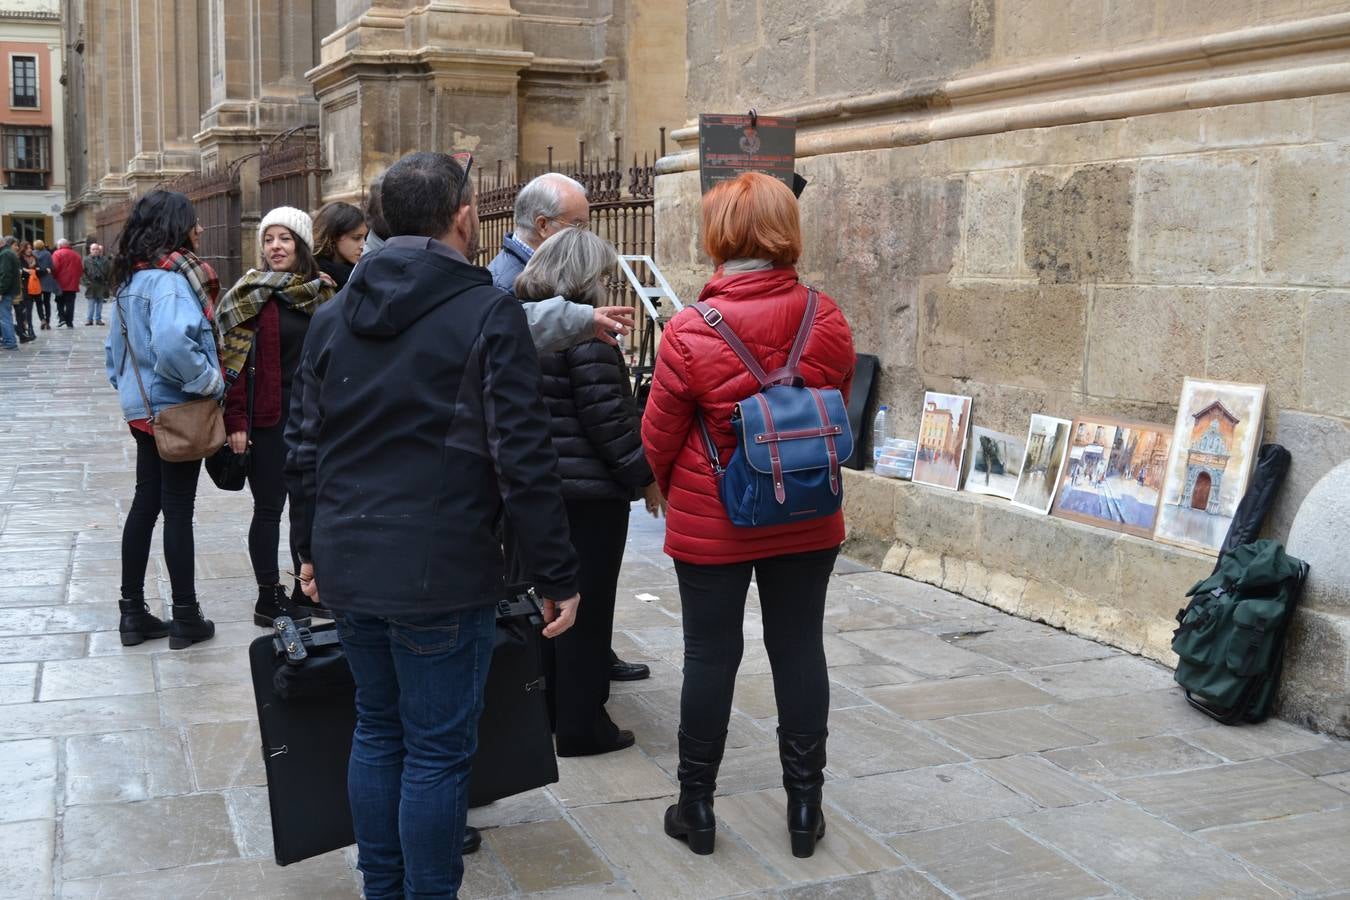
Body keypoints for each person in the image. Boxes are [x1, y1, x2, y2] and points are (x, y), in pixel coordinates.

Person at [286, 151, 581, 899]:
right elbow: (523, 456)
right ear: (462, 216)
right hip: (441, 568)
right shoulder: (487, 313)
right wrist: (557, 572)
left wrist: (309, 548)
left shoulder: (331, 316)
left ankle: (384, 889)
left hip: (354, 557)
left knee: (380, 730)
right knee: (436, 752)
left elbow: (306, 447)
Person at [641, 172, 855, 859]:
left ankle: (697, 807)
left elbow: (657, 436)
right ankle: (804, 809)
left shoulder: (687, 330)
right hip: (807, 511)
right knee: (798, 647)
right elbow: (833, 403)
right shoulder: (826, 315)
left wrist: (658, 485)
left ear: (719, 236)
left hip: (716, 517)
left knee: (711, 654)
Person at [488, 171, 646, 682]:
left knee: (545, 588)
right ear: (543, 225)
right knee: (566, 590)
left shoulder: (525, 281)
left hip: (541, 473)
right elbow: (604, 415)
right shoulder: (506, 288)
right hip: (561, 480)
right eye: (578, 223)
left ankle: (552, 683)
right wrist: (641, 475)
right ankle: (569, 695)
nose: (587, 232)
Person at [514, 228, 664, 757]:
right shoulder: (585, 334)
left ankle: (548, 710)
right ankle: (581, 724)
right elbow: (610, 425)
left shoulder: (520, 325)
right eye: (601, 275)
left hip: (536, 488)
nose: (605, 285)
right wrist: (645, 478)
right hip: (587, 497)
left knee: (544, 602)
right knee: (586, 608)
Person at [105, 190, 225, 649]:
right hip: (176, 410)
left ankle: (132, 613)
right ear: (177, 227)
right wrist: (210, 383)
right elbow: (175, 345)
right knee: (177, 510)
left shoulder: (130, 282)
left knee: (145, 505)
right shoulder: (170, 282)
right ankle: (186, 615)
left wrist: (135, 394)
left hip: (143, 412)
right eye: (194, 222)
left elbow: (113, 357)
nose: (200, 229)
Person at [216, 207, 336, 627]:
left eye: (285, 238)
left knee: (310, 507)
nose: (275, 247)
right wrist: (236, 421)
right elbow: (230, 365)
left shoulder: (321, 294)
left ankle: (305, 589)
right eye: (269, 239)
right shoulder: (250, 294)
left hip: (315, 418)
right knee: (269, 508)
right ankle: (268, 596)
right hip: (268, 417)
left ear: (301, 244)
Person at [312, 201, 367, 289]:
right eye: (356, 238)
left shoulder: (362, 272)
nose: (363, 245)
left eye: (365, 238)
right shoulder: (313, 276)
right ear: (333, 236)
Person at [52, 238, 84, 328]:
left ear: (60, 245)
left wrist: (53, 277)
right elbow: (80, 269)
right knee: (70, 303)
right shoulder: (76, 255)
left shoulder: (57, 253)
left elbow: (55, 267)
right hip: (72, 283)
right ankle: (69, 322)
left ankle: (62, 318)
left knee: (59, 301)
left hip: (60, 283)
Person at [83, 243, 112, 325]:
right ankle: (89, 319)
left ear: (99, 250)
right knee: (91, 302)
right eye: (93, 249)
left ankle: (98, 319)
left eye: (97, 249)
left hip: (101, 284)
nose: (95, 251)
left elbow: (109, 271)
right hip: (91, 284)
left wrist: (107, 281)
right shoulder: (86, 260)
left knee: (100, 302)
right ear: (90, 250)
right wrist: (86, 282)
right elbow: (83, 272)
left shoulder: (104, 260)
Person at [14, 241, 36, 343]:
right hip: (22, 288)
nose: (29, 250)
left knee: (29, 310)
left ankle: (29, 329)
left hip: (33, 287)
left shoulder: (34, 258)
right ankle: (22, 330)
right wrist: (25, 271)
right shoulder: (19, 258)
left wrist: (32, 271)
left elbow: (41, 270)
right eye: (27, 248)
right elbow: (20, 272)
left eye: (30, 248)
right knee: (22, 312)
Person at [0, 236, 19, 351]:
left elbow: (5, 275)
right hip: (9, 290)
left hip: (6, 291)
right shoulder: (7, 252)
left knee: (4, 316)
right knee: (5, 316)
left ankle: (10, 341)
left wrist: (1, 290)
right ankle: (7, 340)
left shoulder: (5, 254)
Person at [33, 239, 56, 329]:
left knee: (38, 302)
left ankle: (42, 319)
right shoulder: (47, 254)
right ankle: (48, 321)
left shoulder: (33, 254)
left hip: (37, 280)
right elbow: (52, 267)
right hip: (47, 280)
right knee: (47, 302)